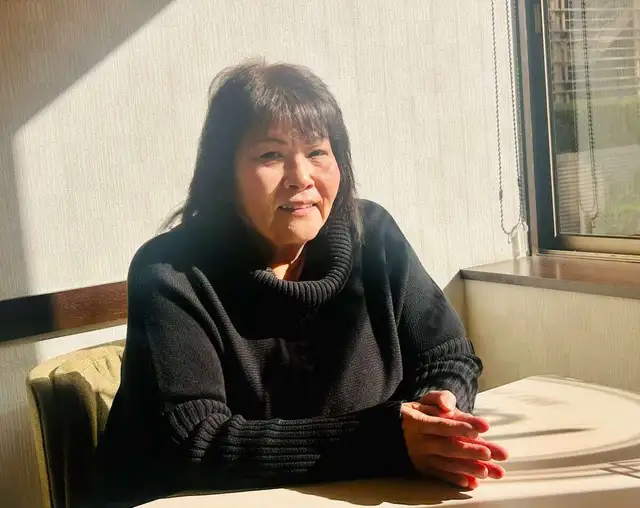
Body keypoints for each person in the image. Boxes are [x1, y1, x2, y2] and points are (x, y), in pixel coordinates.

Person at [95, 60, 508, 506]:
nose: (301, 178)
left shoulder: (373, 235)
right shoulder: (170, 270)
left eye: (317, 152)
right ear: (224, 173)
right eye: (270, 156)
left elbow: (447, 354)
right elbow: (195, 441)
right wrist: (386, 440)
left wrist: (438, 415)